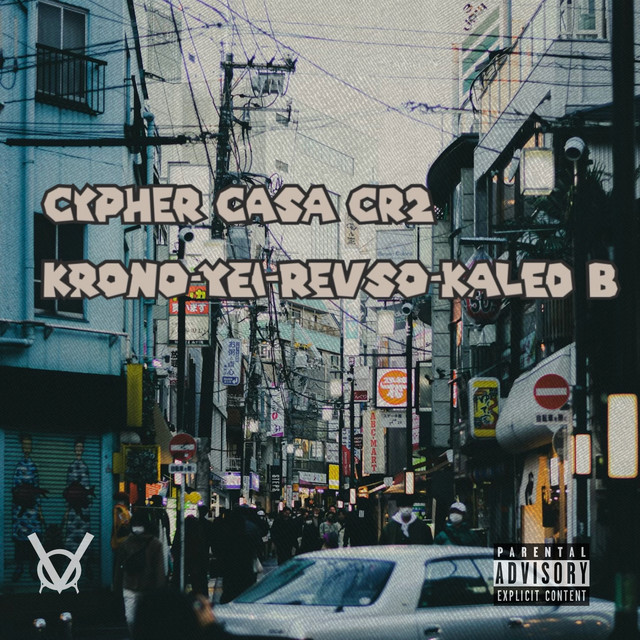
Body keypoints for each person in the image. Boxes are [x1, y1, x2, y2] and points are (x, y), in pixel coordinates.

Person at [115, 509, 167, 633]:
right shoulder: (127, 543)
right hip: (137, 587)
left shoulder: (154, 544)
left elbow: (159, 569)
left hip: (140, 587)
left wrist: (116, 586)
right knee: (135, 619)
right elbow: (160, 570)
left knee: (135, 619)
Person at [11, 433, 47, 582]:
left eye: (29, 445)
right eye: (25, 444)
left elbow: (36, 489)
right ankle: (19, 568)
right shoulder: (18, 466)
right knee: (20, 541)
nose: (27, 447)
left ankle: (33, 568)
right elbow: (15, 490)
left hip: (32, 511)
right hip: (20, 511)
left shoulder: (33, 467)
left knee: (34, 540)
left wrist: (39, 512)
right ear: (22, 446)